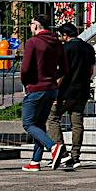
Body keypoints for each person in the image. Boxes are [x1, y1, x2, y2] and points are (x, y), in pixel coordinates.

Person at [19, 14, 64, 172]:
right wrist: (52, 78)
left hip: (35, 88)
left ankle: (53, 147)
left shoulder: (33, 42)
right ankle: (35, 161)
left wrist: (26, 83)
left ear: (37, 26)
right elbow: (64, 68)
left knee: (28, 124)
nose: (30, 27)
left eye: (31, 24)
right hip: (51, 89)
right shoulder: (56, 42)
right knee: (39, 125)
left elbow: (25, 68)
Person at [54, 21, 95, 172]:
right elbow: (91, 70)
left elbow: (62, 73)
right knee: (77, 123)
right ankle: (76, 156)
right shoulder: (88, 48)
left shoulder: (65, 49)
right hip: (82, 90)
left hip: (66, 91)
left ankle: (62, 152)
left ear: (65, 35)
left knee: (52, 117)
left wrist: (55, 91)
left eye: (60, 35)